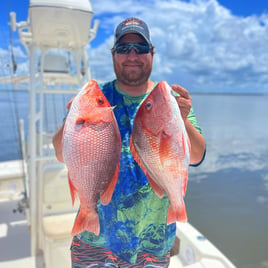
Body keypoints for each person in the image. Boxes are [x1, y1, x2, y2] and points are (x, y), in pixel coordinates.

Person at [53, 17, 206, 268]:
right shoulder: (95, 96)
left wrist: (183, 119)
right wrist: (71, 120)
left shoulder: (172, 100)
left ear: (152, 53)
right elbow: (61, 153)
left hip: (152, 245)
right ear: (114, 54)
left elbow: (197, 156)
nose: (132, 55)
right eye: (124, 48)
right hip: (94, 243)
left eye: (141, 48)